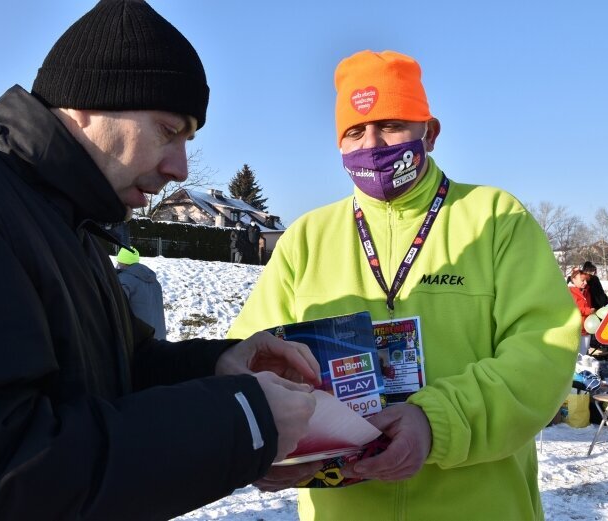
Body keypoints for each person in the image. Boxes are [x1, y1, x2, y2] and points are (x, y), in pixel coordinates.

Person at [0, 2, 321, 519]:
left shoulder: (70, 226)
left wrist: (218, 368)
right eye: (168, 130)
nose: (179, 167)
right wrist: (242, 420)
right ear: (86, 103)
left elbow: (113, 377)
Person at [229, 50, 580, 520]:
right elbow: (249, 356)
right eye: (355, 131)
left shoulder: (496, 220)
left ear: (429, 133)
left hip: (481, 506)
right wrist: (263, 442)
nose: (372, 143)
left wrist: (436, 422)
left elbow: (543, 353)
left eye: (391, 124)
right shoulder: (307, 239)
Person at [115, 246, 167, 340]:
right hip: (159, 342)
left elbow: (116, 311)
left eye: (118, 263)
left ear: (122, 262)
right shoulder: (155, 282)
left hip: (139, 343)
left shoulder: (123, 280)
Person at [569, 268, 596, 356]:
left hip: (586, 328)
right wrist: (588, 311)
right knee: (575, 357)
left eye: (586, 280)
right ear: (574, 279)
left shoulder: (586, 291)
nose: (585, 283)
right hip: (575, 329)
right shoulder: (569, 292)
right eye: (582, 280)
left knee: (583, 355)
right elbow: (573, 309)